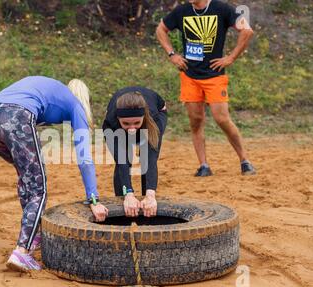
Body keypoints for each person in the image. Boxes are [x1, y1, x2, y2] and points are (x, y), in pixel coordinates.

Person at [0, 76, 109, 272]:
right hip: (16, 116)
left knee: (28, 178)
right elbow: (85, 158)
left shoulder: (54, 91)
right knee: (38, 189)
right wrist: (93, 198)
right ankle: (22, 251)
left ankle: (34, 235)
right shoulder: (75, 105)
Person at [156, 0, 257, 176]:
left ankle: (244, 160)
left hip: (215, 76)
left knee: (222, 119)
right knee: (195, 121)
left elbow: (247, 31)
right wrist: (172, 54)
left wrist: (231, 58)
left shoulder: (222, 9)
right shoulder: (182, 11)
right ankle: (203, 165)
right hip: (189, 75)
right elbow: (160, 29)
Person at [102, 87, 168, 217]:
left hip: (157, 112)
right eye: (126, 123)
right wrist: (129, 194)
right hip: (116, 127)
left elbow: (150, 158)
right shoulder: (111, 122)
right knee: (123, 159)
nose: (132, 129)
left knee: (146, 156)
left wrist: (150, 195)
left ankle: (147, 200)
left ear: (143, 117)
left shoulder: (153, 119)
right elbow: (122, 161)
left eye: (136, 123)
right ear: (118, 119)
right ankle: (124, 200)